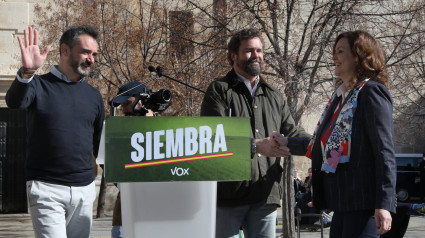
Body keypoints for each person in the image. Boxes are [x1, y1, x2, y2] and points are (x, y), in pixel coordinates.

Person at [273, 30, 397, 237]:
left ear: (359, 56)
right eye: (334, 51)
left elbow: (384, 152)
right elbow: (323, 146)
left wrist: (384, 204)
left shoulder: (371, 93)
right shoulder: (340, 99)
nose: (334, 57)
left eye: (340, 51)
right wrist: (286, 142)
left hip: (364, 205)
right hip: (341, 205)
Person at [200, 27, 311, 238]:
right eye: (249, 51)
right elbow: (213, 138)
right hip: (227, 196)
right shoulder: (219, 90)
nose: (256, 56)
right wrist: (255, 145)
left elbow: (292, 131)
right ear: (234, 55)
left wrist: (317, 143)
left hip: (265, 195)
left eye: (259, 50)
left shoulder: (274, 95)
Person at [6, 26, 105, 238]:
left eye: (94, 54)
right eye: (86, 52)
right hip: (46, 189)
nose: (91, 59)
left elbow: (101, 144)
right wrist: (27, 71)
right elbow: (15, 102)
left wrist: (122, 180)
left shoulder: (94, 96)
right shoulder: (38, 85)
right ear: (65, 50)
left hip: (84, 190)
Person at [109, 81, 154, 238]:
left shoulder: (167, 130)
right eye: (121, 105)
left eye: (127, 103)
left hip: (156, 214)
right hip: (124, 215)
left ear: (142, 100)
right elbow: (107, 163)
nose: (123, 109)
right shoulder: (120, 130)